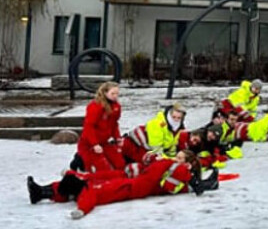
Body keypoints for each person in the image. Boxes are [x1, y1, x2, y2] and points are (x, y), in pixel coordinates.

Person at [26, 150, 219, 218]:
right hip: (134, 180)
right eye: (177, 157)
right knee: (86, 181)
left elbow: (91, 195)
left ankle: (45, 192)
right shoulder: (172, 167)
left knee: (89, 183)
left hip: (135, 186)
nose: (176, 159)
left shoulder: (178, 169)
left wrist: (82, 210)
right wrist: (150, 159)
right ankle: (43, 192)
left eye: (181, 158)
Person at [76, 82, 125, 173]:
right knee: (102, 168)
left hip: (104, 142)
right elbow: (89, 126)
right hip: (89, 144)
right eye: (112, 94)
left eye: (117, 94)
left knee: (120, 164)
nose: (115, 96)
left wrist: (117, 137)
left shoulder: (116, 107)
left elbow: (114, 124)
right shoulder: (96, 106)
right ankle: (80, 161)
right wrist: (94, 144)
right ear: (105, 93)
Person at [120, 103, 187, 164]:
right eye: (174, 117)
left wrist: (175, 158)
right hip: (132, 149)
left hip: (145, 152)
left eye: (179, 118)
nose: (176, 120)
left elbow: (172, 147)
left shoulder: (176, 128)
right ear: (169, 114)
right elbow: (156, 150)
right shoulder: (157, 125)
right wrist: (172, 160)